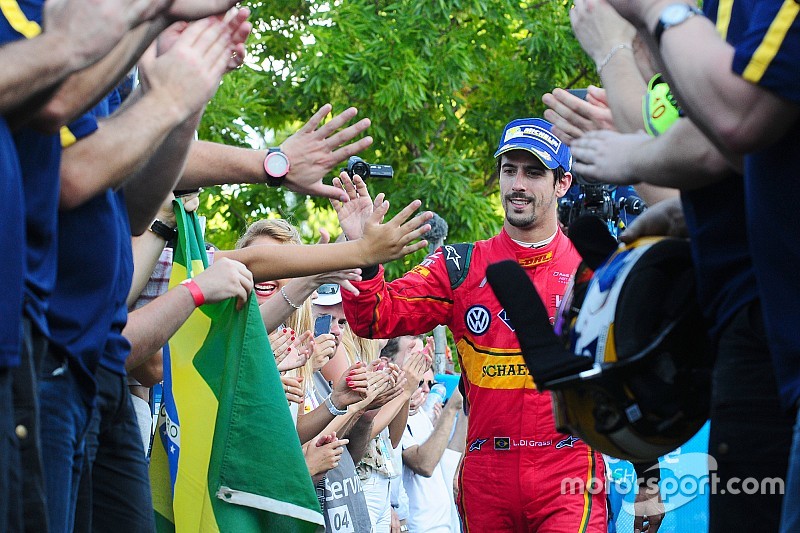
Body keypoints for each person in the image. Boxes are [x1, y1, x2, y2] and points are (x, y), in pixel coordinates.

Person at [559, 0, 797, 530]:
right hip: (753, 334)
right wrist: (676, 208)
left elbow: (734, 126)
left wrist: (619, 45)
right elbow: (723, 159)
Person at [335, 120, 608, 531]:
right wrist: (361, 251)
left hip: (566, 467)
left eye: (533, 172)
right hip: (486, 473)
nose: (518, 184)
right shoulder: (459, 266)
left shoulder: (590, 265)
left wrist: (649, 473)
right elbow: (373, 316)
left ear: (562, 183)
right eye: (509, 170)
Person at [400, 370, 462, 533]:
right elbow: (425, 465)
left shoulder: (424, 415)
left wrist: (464, 409)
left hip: (446, 524)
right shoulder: (400, 415)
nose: (427, 389)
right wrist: (450, 409)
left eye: (431, 384)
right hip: (421, 527)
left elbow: (449, 462)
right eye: (421, 383)